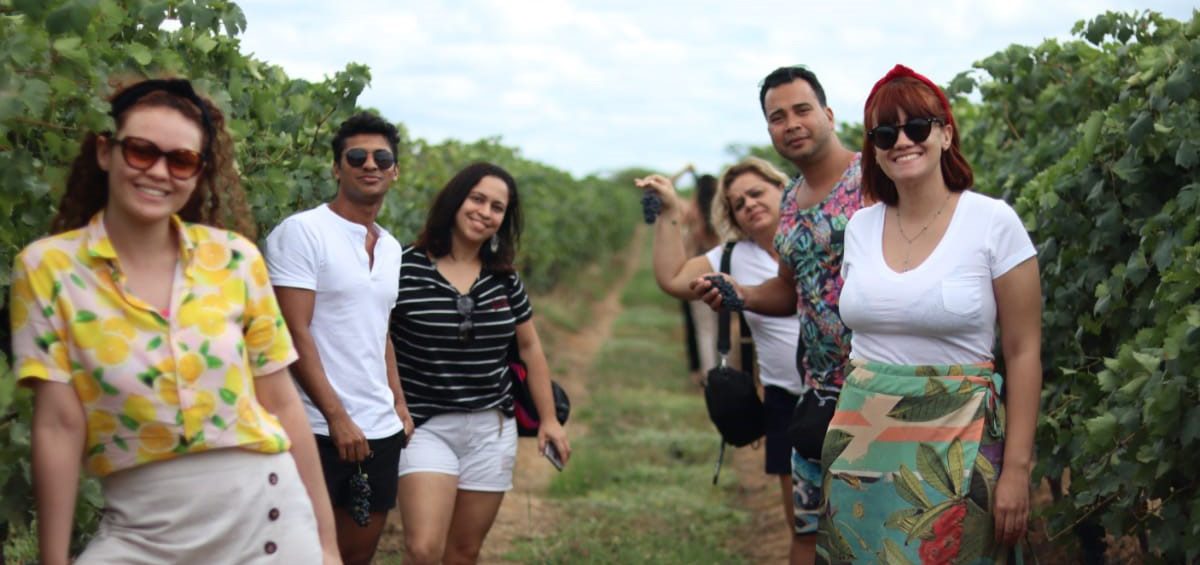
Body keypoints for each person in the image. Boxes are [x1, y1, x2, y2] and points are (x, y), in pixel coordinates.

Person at [9, 78, 339, 564]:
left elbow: (283, 405)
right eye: (141, 151)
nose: (159, 171)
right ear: (106, 152)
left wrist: (327, 546)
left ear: (199, 173)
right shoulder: (48, 269)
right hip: (141, 535)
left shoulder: (235, 260)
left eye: (181, 160)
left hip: (270, 526)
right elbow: (59, 425)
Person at [818, 64, 1041, 563]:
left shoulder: (993, 223)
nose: (902, 141)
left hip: (959, 443)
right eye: (885, 132)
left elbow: (1024, 351)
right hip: (861, 447)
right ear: (874, 148)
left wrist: (1018, 470)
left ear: (944, 133)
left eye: (917, 126)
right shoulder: (859, 226)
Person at [694, 65, 864, 565]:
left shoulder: (872, 179)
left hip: (880, 389)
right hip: (818, 394)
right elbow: (791, 292)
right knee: (808, 531)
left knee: (876, 530)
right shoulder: (790, 200)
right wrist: (740, 294)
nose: (790, 123)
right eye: (777, 117)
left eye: (802, 110)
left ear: (829, 114)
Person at [389, 162, 570, 565]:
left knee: (464, 553)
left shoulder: (504, 278)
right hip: (423, 427)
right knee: (423, 550)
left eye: (497, 207)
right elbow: (377, 340)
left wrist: (549, 420)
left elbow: (530, 349)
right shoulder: (403, 267)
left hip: (492, 430)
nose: (485, 212)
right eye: (477, 199)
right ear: (456, 201)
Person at [636, 156, 805, 551]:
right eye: (738, 203)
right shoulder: (732, 256)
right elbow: (673, 277)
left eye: (756, 193)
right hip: (785, 400)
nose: (749, 205)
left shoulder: (819, 236)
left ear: (783, 190)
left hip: (840, 394)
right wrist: (670, 213)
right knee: (803, 526)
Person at [265, 112, 410, 565]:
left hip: (380, 431)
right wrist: (337, 417)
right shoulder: (302, 232)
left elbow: (379, 329)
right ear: (336, 167)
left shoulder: (389, 247)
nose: (370, 164)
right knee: (305, 554)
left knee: (356, 556)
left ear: (394, 171)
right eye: (357, 156)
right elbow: (293, 333)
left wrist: (399, 405)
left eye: (381, 157)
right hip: (316, 430)